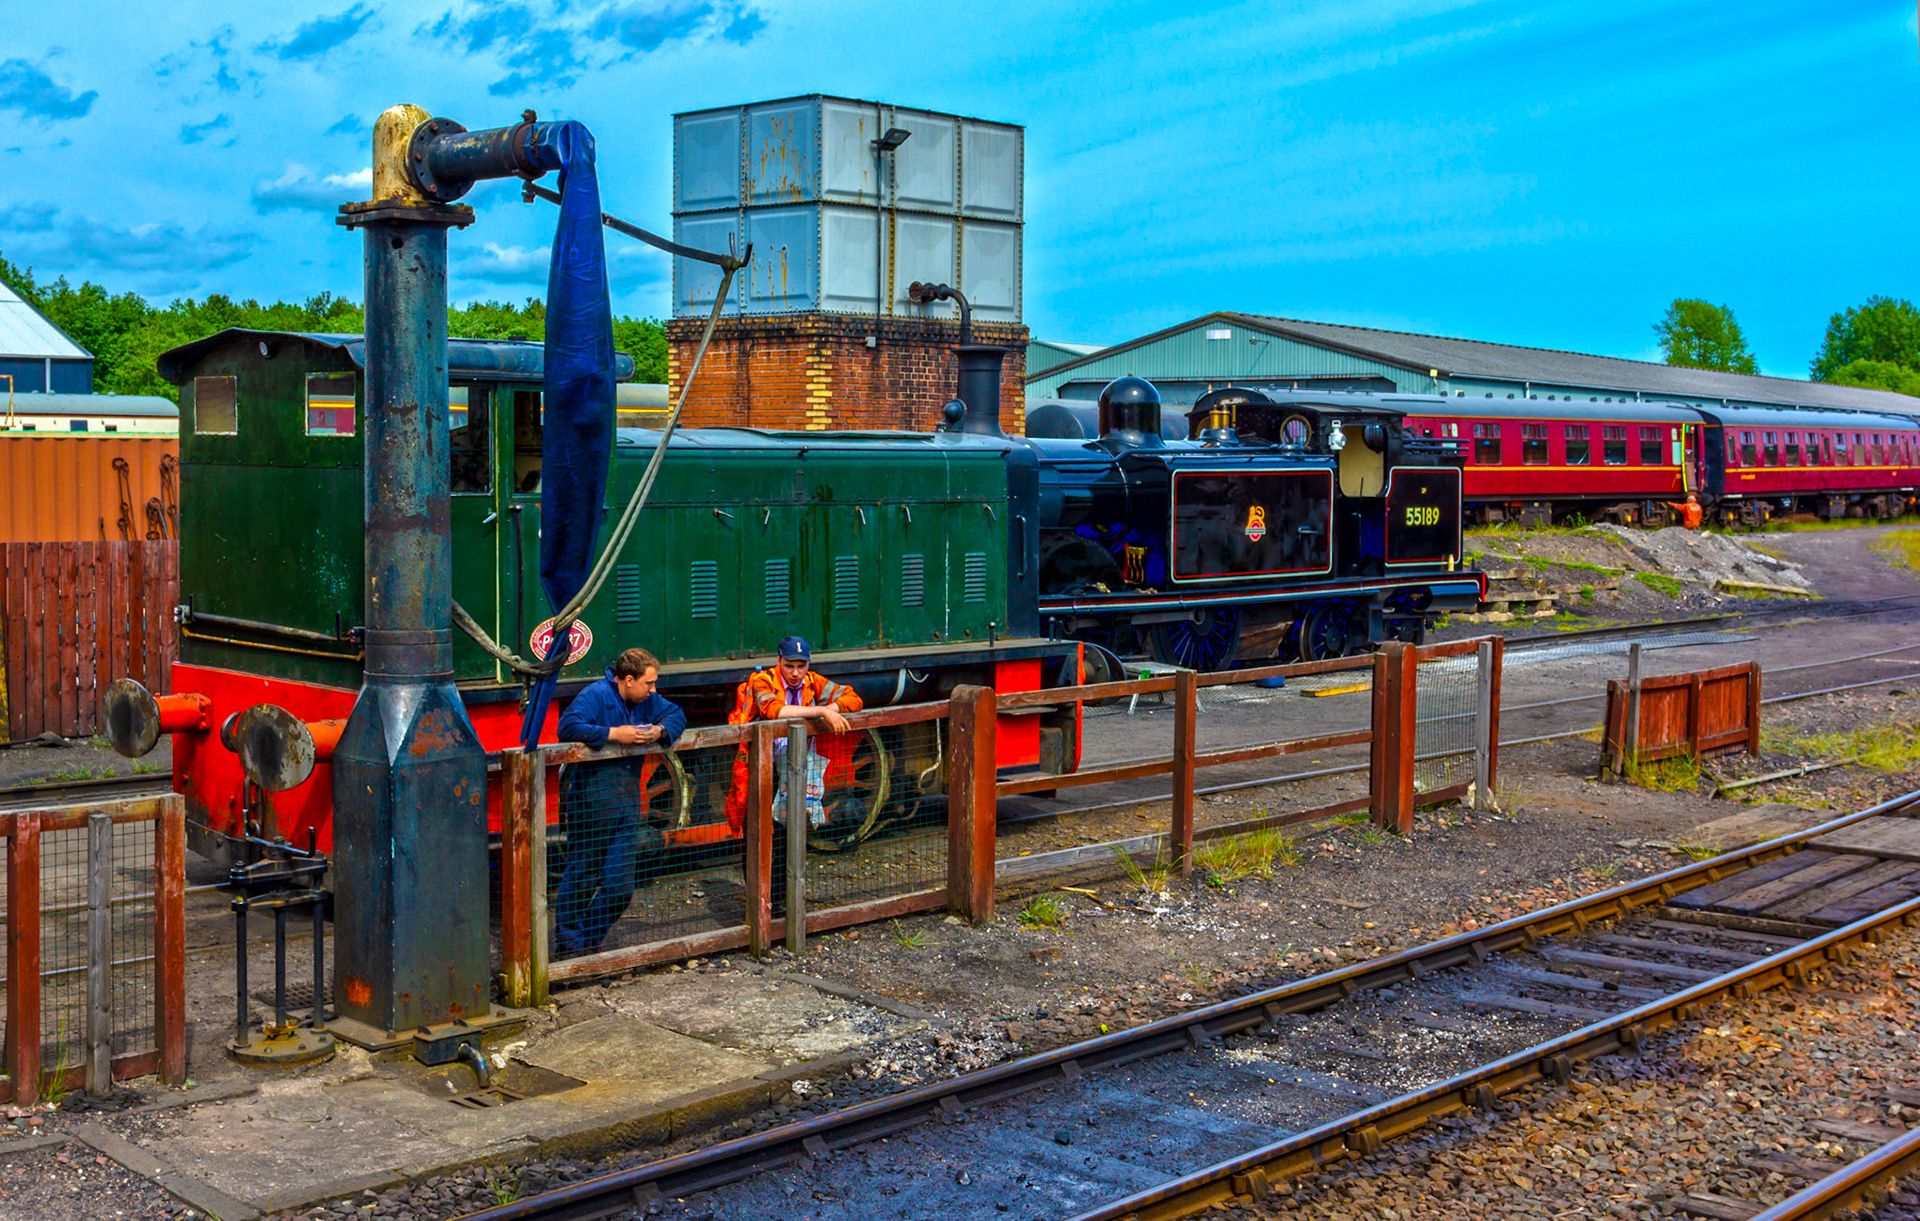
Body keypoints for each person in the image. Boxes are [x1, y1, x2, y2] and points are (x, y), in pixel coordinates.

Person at [553, 647, 687, 957]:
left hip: (627, 809)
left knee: (620, 888)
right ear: (628, 680)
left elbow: (676, 714)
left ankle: (589, 940)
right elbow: (567, 727)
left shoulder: (647, 700)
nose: (653, 689)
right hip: (590, 807)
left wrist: (660, 730)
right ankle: (570, 947)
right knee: (582, 876)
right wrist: (615, 734)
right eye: (649, 683)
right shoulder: (595, 695)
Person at [723, 635, 863, 836]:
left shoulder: (813, 681)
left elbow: (854, 699)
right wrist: (821, 712)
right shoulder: (763, 681)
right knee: (755, 821)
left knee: (790, 824)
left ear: (808, 663)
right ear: (778, 660)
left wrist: (831, 709)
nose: (796, 673)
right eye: (789, 666)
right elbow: (774, 710)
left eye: (801, 666)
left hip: (795, 763)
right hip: (763, 765)